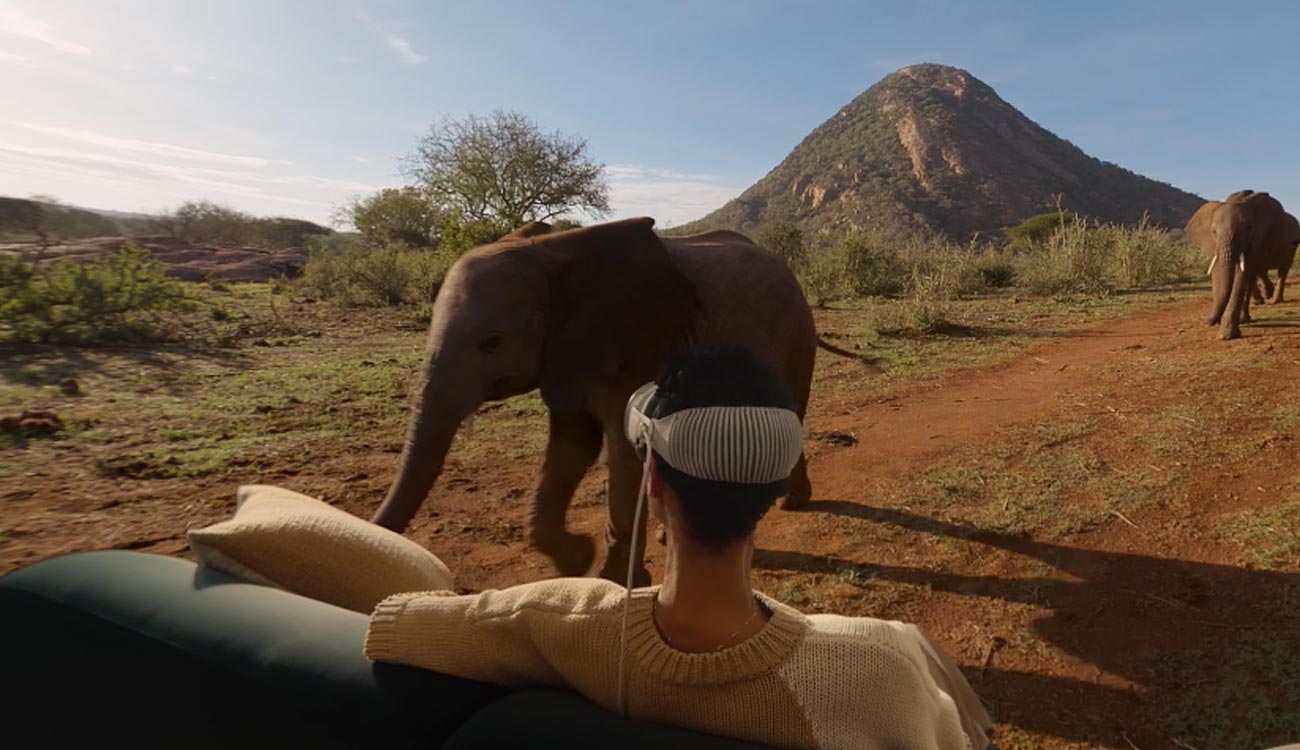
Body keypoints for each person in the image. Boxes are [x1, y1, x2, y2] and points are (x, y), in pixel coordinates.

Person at [365, 346, 993, 750]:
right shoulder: (881, 666)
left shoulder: (555, 621)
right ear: (777, 487)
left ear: (654, 482)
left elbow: (391, 623)